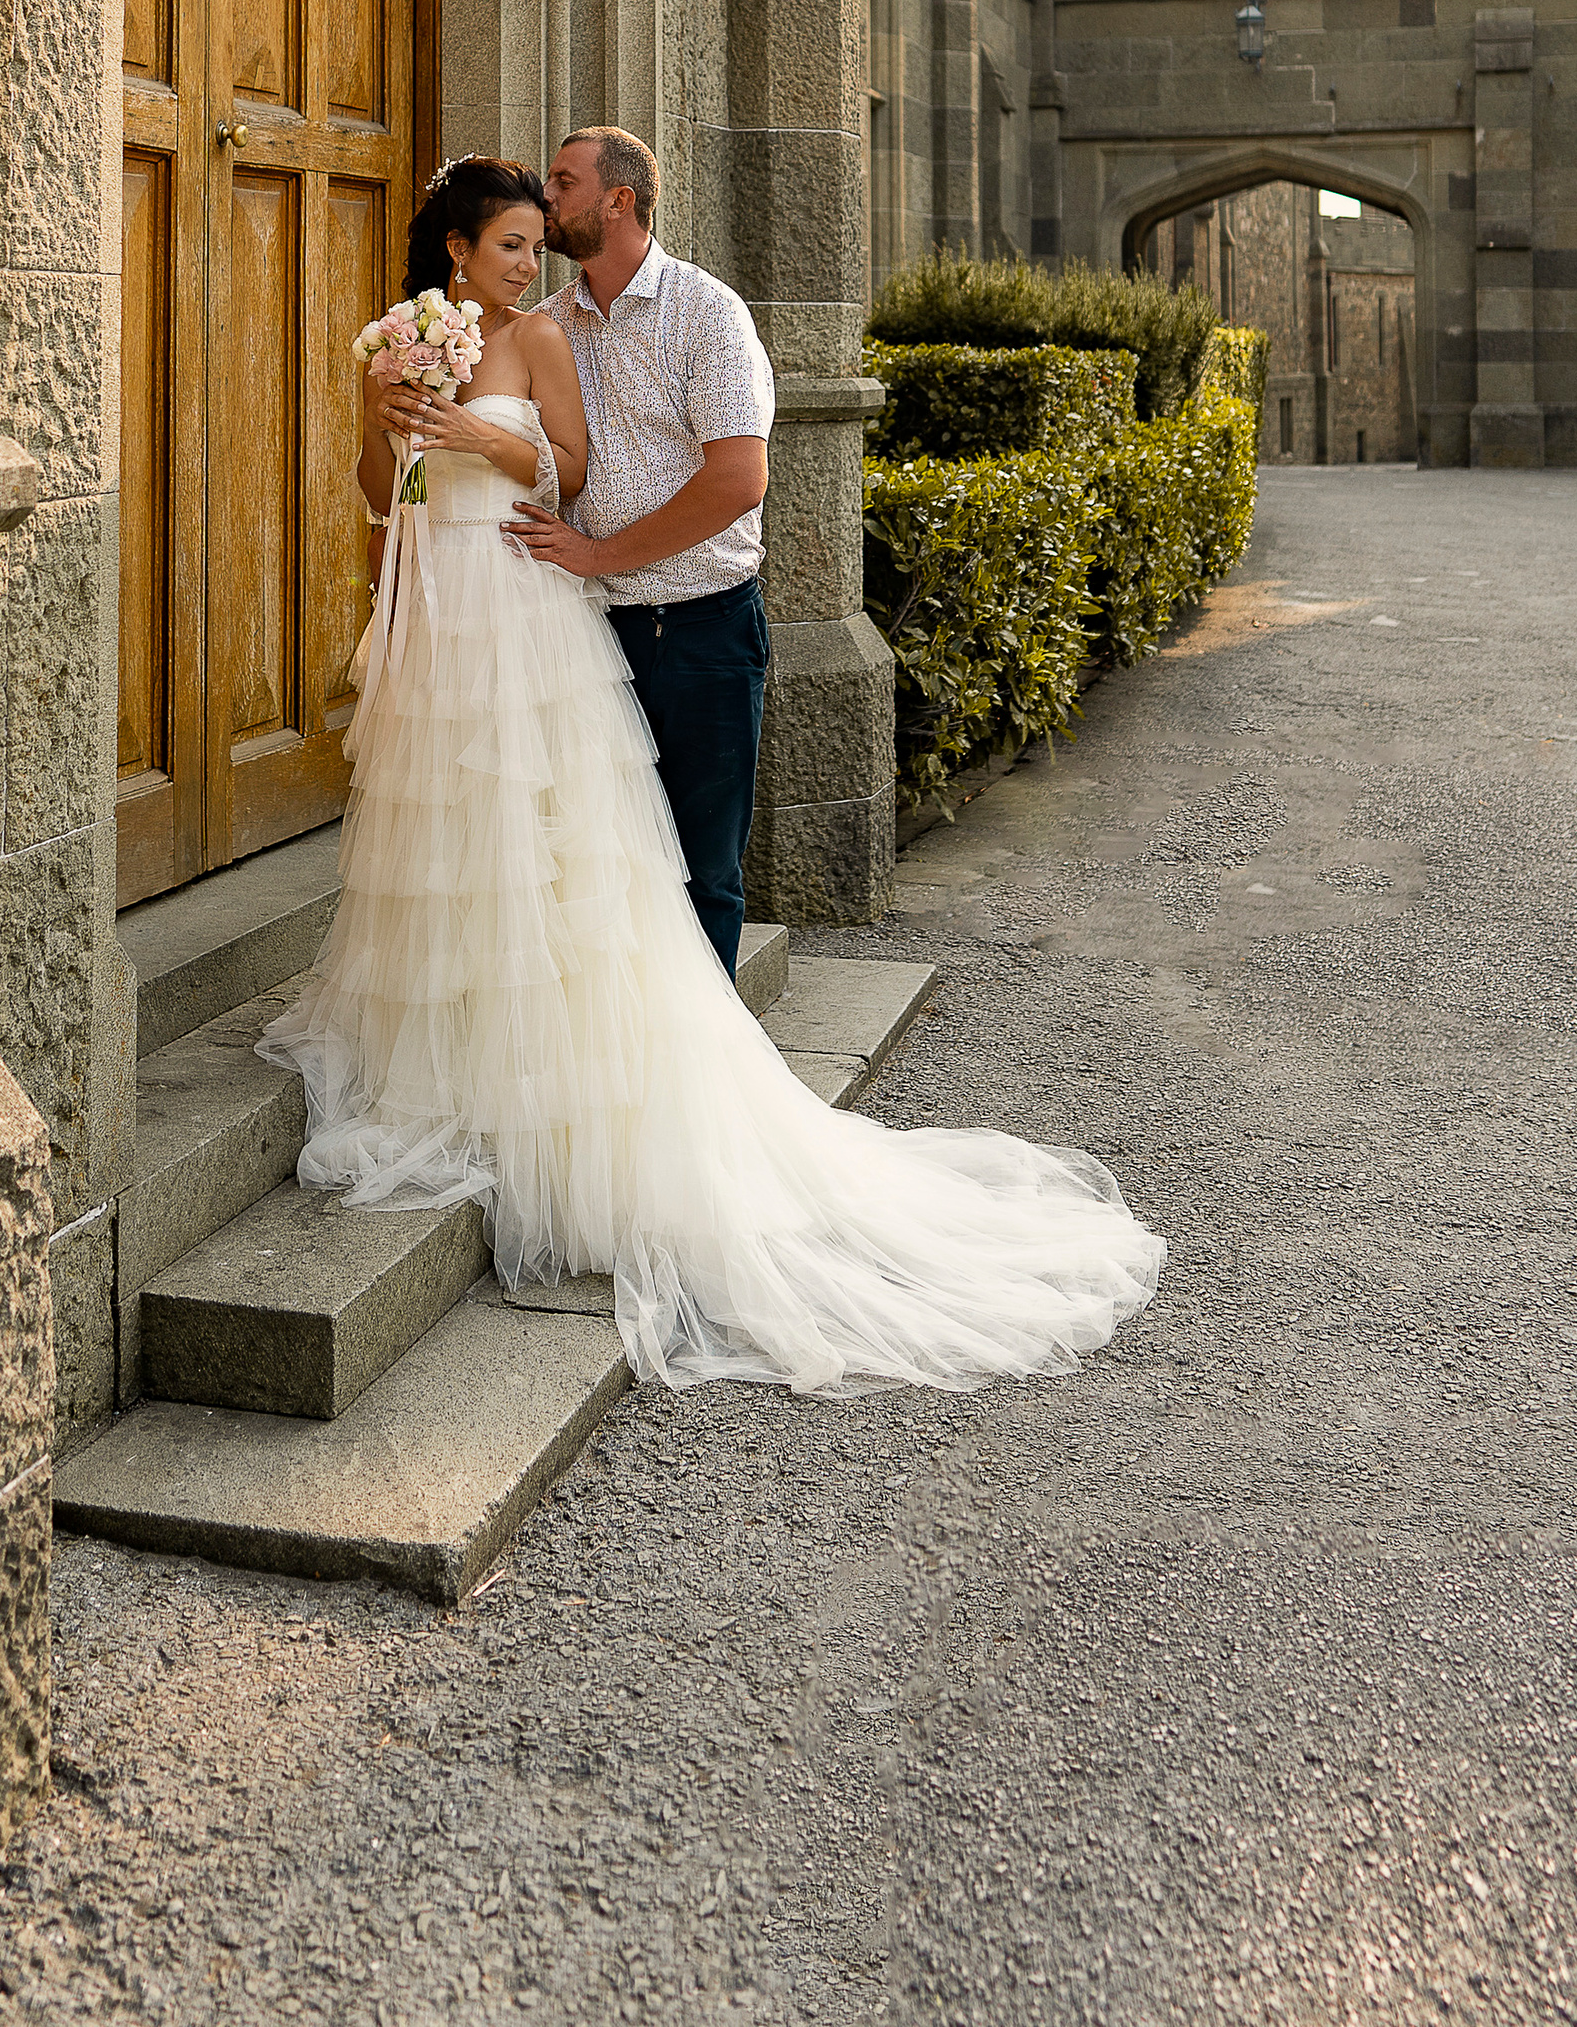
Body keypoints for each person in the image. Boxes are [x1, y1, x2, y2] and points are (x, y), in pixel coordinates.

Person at [260, 151, 1165, 1398]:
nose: (533, 248)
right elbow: (384, 497)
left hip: (561, 609)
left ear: (610, 204)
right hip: (444, 619)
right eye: (511, 237)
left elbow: (578, 469)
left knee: (635, 858)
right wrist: (388, 419)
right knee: (449, 845)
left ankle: (653, 1097)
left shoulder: (583, 332)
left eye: (545, 220)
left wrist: (479, 437)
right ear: (456, 251)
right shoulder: (414, 337)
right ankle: (458, 1064)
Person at [504, 126, 772, 981]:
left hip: (704, 632)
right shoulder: (546, 326)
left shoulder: (708, 312)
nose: (545, 198)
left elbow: (738, 479)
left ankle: (707, 1060)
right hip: (587, 635)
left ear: (618, 200)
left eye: (563, 181)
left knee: (704, 869)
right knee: (596, 864)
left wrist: (599, 554)